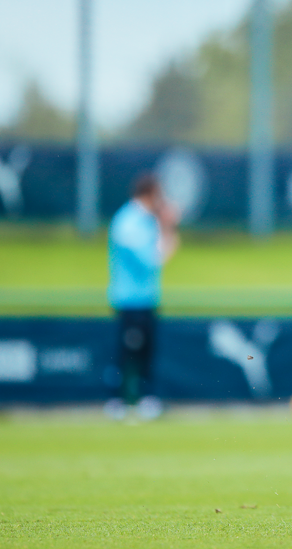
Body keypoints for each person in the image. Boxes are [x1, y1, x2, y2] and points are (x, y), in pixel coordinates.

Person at [107, 173, 179, 420]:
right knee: (128, 352)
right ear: (150, 194)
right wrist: (167, 228)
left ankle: (146, 401)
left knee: (147, 352)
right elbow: (151, 260)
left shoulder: (147, 221)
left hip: (147, 299)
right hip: (129, 300)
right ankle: (119, 401)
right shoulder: (127, 222)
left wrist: (166, 226)